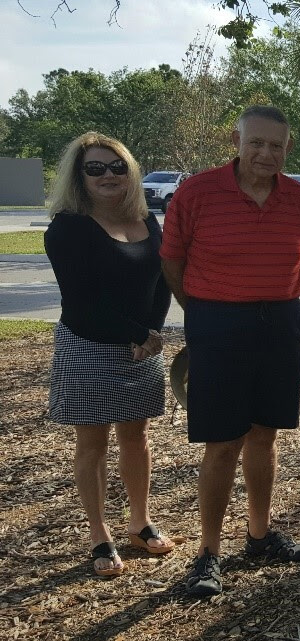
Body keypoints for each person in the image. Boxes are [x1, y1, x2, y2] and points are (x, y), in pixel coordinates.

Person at [161, 105, 300, 597]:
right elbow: (172, 260)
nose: (266, 153)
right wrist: (207, 312)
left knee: (263, 435)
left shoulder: (298, 198)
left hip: (281, 323)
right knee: (222, 441)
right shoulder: (196, 192)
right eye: (256, 142)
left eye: (276, 145)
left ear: (288, 149)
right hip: (218, 323)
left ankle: (258, 534)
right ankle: (208, 552)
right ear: (237, 140)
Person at [44, 132, 174, 577]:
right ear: (79, 177)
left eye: (116, 166)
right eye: (95, 168)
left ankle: (139, 522)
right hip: (88, 346)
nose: (107, 175)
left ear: (130, 172)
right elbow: (82, 301)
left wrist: (152, 332)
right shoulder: (68, 227)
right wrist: (141, 334)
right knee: (93, 444)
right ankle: (100, 534)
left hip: (142, 347)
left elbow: (162, 279)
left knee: (136, 438)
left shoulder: (145, 218)